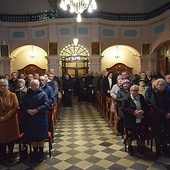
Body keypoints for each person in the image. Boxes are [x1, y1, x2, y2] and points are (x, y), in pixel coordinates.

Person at [21, 79, 50, 163]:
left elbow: (46, 104)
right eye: (32, 85)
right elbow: (23, 105)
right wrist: (27, 110)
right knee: (33, 136)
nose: (34, 87)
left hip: (41, 118)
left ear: (39, 86)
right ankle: (35, 153)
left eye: (36, 85)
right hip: (30, 118)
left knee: (40, 137)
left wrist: (37, 110)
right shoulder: (27, 94)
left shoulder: (43, 94)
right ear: (30, 86)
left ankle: (40, 153)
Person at [121, 85, 148, 156]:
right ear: (130, 91)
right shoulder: (126, 98)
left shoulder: (141, 97)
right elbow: (123, 108)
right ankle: (130, 147)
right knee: (130, 135)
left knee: (140, 134)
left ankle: (140, 147)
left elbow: (146, 106)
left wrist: (143, 111)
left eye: (137, 90)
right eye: (133, 90)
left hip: (140, 118)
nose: (135, 92)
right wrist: (133, 112)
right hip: (130, 120)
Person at [0, 79, 20, 163]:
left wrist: (5, 117)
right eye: (1, 86)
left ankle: (11, 155)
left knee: (11, 139)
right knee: (1, 139)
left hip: (11, 121)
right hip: (0, 122)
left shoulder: (12, 95)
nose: (2, 87)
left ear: (8, 86)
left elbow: (16, 107)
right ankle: (3, 155)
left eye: (4, 85)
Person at [151, 78, 170, 156]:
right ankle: (158, 148)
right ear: (156, 86)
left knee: (166, 132)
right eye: (160, 85)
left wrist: (168, 113)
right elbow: (154, 106)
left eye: (163, 85)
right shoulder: (154, 94)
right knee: (157, 132)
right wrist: (165, 113)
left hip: (167, 116)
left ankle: (165, 147)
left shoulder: (167, 93)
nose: (162, 86)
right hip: (157, 116)